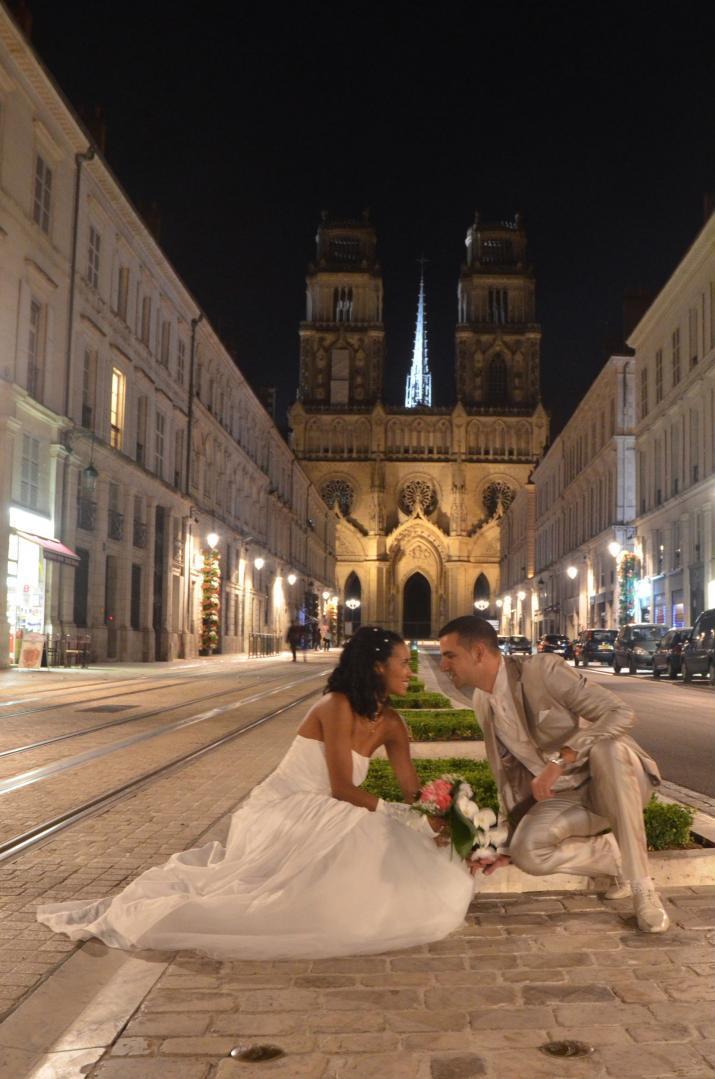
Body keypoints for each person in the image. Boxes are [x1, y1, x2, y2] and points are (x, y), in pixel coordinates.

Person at [37, 627, 476, 959]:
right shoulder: (336, 706)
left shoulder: (393, 723)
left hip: (325, 808)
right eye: (402, 661)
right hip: (282, 808)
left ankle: (362, 907)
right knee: (367, 827)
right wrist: (406, 815)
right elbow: (342, 789)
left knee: (390, 838)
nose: (409, 669)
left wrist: (443, 813)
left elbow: (412, 789)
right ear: (378, 667)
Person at [438, 615, 669, 934]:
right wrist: (507, 842)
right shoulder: (481, 702)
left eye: (450, 656)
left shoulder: (541, 670)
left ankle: (644, 889)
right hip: (569, 802)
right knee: (526, 852)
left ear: (478, 652)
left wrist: (563, 758)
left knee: (610, 750)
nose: (443, 666)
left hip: (613, 781)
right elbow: (509, 778)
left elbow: (621, 713)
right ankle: (610, 857)